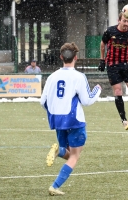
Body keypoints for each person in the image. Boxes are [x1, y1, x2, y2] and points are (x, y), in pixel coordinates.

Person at [40, 42, 102, 196]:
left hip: (58, 121)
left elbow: (43, 101)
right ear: (76, 57)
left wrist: (56, 109)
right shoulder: (78, 76)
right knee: (74, 156)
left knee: (68, 153)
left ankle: (58, 150)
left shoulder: (52, 76)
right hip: (74, 121)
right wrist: (98, 90)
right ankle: (54, 186)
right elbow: (87, 101)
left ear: (61, 57)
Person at [98, 11, 128, 130]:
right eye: (124, 21)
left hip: (126, 65)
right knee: (118, 91)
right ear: (119, 21)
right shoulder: (110, 31)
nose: (126, 24)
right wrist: (102, 60)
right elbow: (103, 44)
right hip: (112, 65)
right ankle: (124, 120)